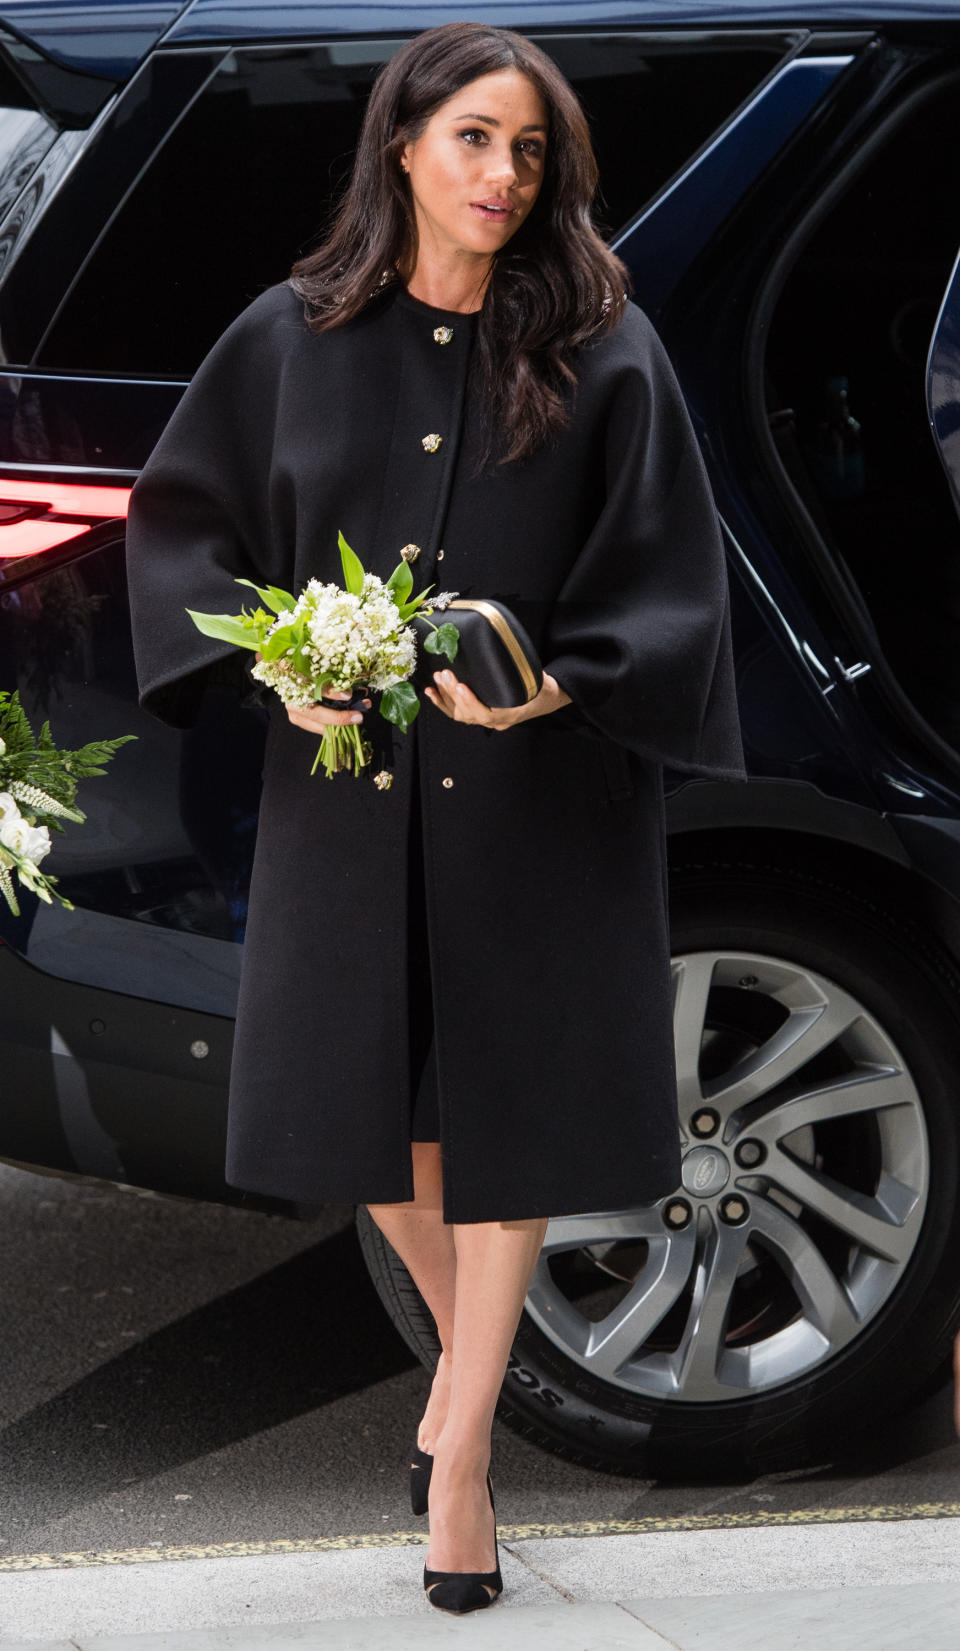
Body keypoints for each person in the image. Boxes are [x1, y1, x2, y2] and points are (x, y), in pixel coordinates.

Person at [124, 21, 745, 1615]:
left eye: (530, 151)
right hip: (349, 806)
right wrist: (280, 673)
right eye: (474, 138)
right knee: (370, 1119)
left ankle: (461, 1444)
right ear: (401, 144)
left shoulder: (605, 345)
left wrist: (564, 683)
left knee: (508, 1107)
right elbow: (187, 537)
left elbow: (675, 575)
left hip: (540, 800)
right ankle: (470, 1381)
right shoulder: (287, 338)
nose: (502, 175)